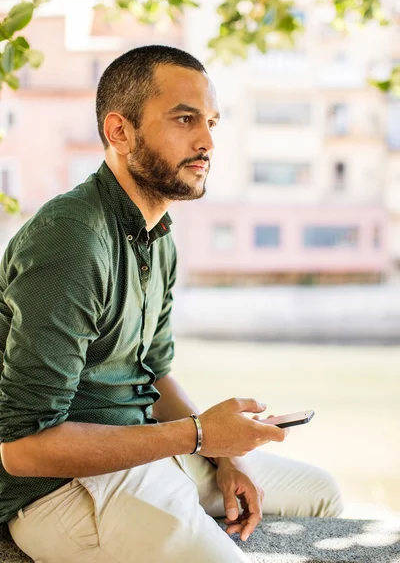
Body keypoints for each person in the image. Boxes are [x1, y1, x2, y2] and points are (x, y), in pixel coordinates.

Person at [0, 45, 343, 563]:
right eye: (184, 120)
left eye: (211, 122)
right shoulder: (71, 241)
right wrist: (200, 433)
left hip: (147, 449)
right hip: (59, 490)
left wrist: (223, 451)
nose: (207, 141)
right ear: (120, 132)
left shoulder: (158, 235)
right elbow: (23, 448)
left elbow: (155, 375)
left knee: (322, 493)